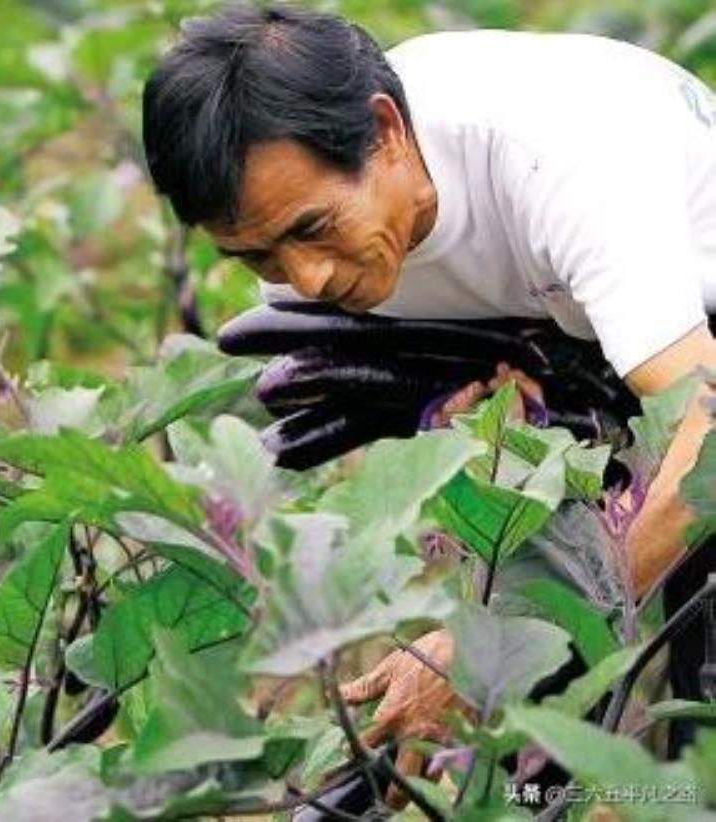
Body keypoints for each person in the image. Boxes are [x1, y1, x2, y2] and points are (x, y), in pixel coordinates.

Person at [142, 1, 716, 807]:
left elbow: (709, 436)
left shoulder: (566, 163)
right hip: (592, 330)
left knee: (704, 715)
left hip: (695, 338)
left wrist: (494, 642)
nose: (302, 282)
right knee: (522, 741)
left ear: (385, 132)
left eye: (313, 229)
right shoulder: (327, 203)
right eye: (255, 256)